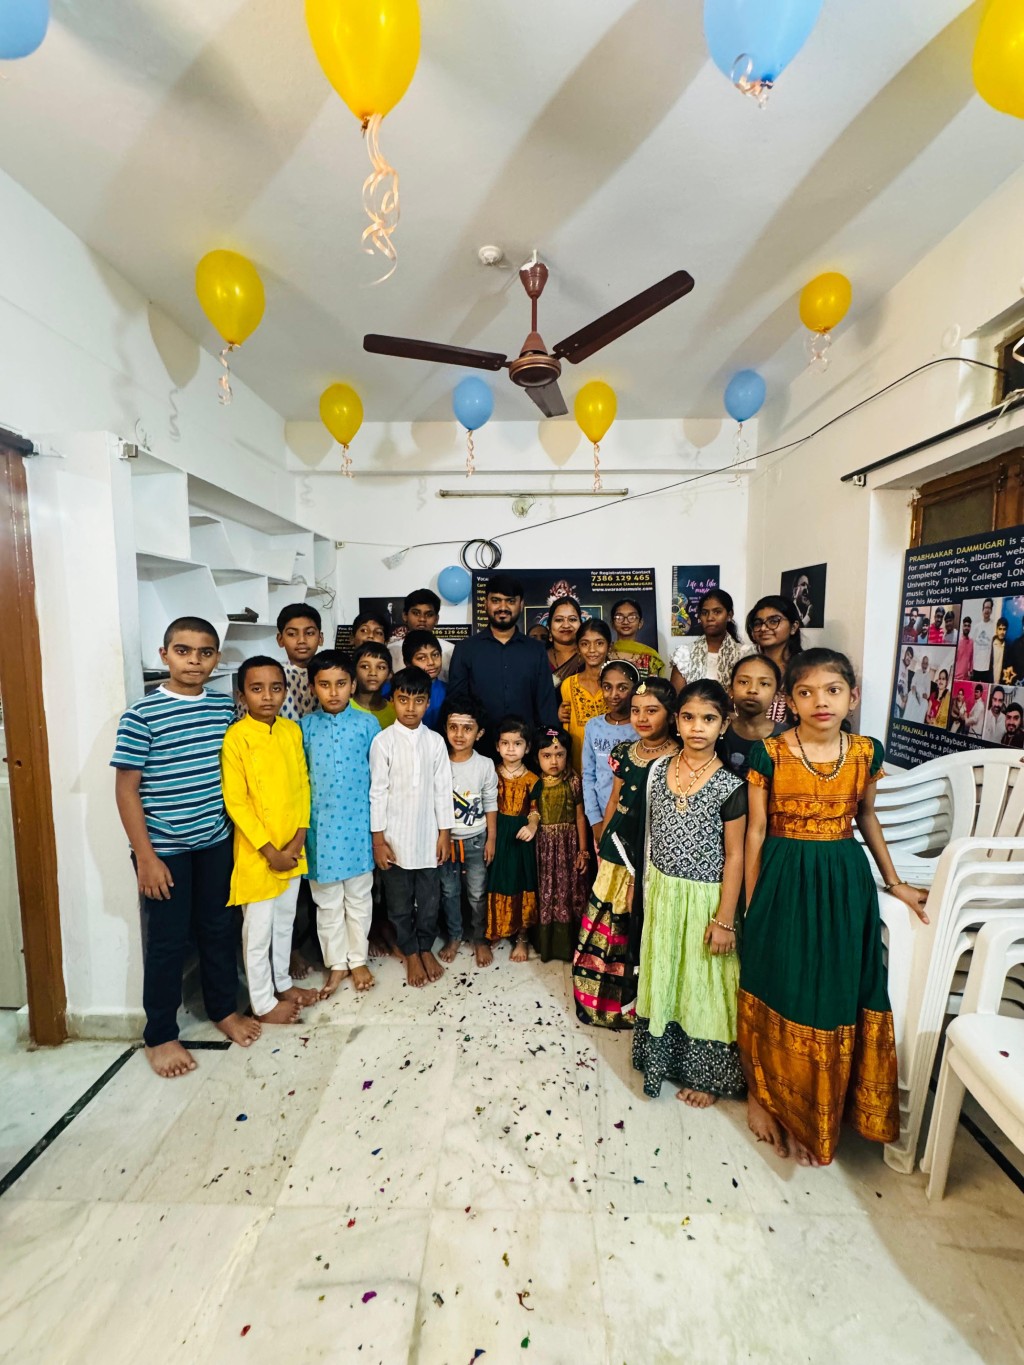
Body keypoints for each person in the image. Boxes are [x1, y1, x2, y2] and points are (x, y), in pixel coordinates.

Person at [739, 648, 929, 1167]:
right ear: (789, 701)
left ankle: (819, 1109)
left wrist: (894, 882)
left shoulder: (866, 752)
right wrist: (753, 902)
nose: (820, 701)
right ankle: (763, 1095)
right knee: (776, 979)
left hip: (844, 878)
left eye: (832, 690)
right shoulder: (769, 753)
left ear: (852, 697)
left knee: (834, 986)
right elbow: (756, 830)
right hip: (782, 874)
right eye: (805, 692)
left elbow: (866, 816)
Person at [112, 617, 260, 1078]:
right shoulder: (141, 715)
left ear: (217, 659)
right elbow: (126, 789)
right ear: (164, 655)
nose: (194, 661)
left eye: (205, 652)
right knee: (167, 941)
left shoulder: (222, 708)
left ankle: (223, 1009)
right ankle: (160, 1034)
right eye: (183, 651)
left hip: (215, 840)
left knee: (219, 928)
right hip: (165, 849)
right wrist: (146, 857)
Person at [632, 680, 747, 1105]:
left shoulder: (731, 786)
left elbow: (735, 856)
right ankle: (663, 1059)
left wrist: (725, 920)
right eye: (689, 717)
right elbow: (649, 836)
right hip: (663, 893)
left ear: (724, 724)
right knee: (666, 974)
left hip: (706, 900)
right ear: (676, 721)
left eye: (709, 719)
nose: (698, 727)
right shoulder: (658, 770)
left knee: (706, 982)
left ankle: (708, 1075)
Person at [573, 677, 679, 1028]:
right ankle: (598, 997)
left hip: (650, 851)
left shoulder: (678, 757)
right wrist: (603, 839)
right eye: (636, 711)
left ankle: (633, 1001)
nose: (642, 718)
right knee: (605, 914)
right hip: (615, 845)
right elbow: (614, 799)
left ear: (671, 715)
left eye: (652, 711)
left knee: (637, 920)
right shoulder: (624, 753)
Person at [222, 656, 318, 1025]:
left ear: (286, 691)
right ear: (241, 695)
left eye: (275, 688)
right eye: (256, 689)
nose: (267, 697)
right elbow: (236, 802)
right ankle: (262, 1002)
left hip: (292, 847)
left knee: (284, 920)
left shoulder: (291, 731)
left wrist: (298, 838)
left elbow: (303, 785)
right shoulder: (237, 738)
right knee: (258, 929)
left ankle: (283, 982)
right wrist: (269, 850)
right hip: (259, 852)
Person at [300, 650, 379, 998]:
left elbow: (379, 778)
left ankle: (357, 958)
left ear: (352, 685)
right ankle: (336, 963)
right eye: (324, 684)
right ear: (312, 687)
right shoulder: (304, 727)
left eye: (341, 683)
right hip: (320, 830)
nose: (333, 692)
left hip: (359, 826)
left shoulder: (367, 724)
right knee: (327, 902)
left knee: (360, 898)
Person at [369, 666, 452, 988]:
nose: (410, 708)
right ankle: (410, 951)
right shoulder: (383, 742)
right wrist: (379, 841)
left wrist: (444, 834)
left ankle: (425, 946)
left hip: (428, 837)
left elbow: (443, 790)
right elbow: (377, 792)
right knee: (399, 902)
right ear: (393, 700)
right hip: (394, 838)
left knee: (430, 900)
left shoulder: (435, 742)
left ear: (428, 703)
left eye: (418, 701)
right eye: (403, 700)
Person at [448, 573, 559, 751]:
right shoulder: (465, 649)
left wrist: (550, 745)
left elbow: (546, 705)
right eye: (496, 600)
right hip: (478, 750)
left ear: (521, 604)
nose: (503, 607)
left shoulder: (536, 650)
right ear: (486, 603)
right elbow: (457, 705)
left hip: (526, 751)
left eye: (510, 601)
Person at [439, 698, 498, 968]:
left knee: (477, 893)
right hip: (445, 841)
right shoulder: (438, 761)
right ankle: (454, 936)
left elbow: (490, 802)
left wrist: (491, 839)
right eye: (453, 727)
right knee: (449, 892)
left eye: (467, 728)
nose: (459, 734)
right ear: (445, 728)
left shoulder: (485, 764)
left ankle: (479, 938)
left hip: (476, 839)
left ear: (480, 732)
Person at [529, 727, 589, 963]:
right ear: (537, 758)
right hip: (543, 848)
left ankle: (569, 945)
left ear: (567, 755)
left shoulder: (573, 782)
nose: (553, 761)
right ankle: (546, 943)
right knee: (546, 891)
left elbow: (580, 817)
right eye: (547, 755)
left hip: (568, 846)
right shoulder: (535, 783)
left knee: (569, 891)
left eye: (559, 754)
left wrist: (583, 851)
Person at [486, 715, 539, 961]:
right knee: (496, 880)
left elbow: (535, 810)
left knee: (520, 882)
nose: (510, 749)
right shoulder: (490, 773)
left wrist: (532, 824)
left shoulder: (532, 779)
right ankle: (496, 928)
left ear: (527, 748)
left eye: (517, 743)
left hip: (519, 838)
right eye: (505, 743)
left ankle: (522, 937)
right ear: (497, 746)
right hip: (495, 833)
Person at [581, 661, 640, 845]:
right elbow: (588, 775)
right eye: (607, 687)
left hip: (634, 819)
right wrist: (595, 821)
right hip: (600, 817)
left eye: (622, 688)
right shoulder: (593, 726)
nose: (614, 695)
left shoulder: (640, 728)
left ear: (635, 689)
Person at [669, 590, 751, 692]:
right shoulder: (684, 654)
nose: (710, 618)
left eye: (717, 612)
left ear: (729, 615)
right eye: (705, 613)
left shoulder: (743, 654)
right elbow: (677, 698)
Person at [559, 618, 610, 774]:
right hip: (578, 763)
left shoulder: (618, 684)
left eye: (599, 643)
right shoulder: (568, 684)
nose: (592, 650)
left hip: (611, 764)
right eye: (585, 644)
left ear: (609, 646)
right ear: (578, 649)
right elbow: (566, 728)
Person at [724, 656, 787, 779]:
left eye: (764, 684)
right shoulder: (718, 734)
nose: (752, 690)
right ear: (730, 690)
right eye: (743, 682)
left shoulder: (788, 738)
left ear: (777, 696)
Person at [745, 596, 802, 725]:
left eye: (773, 621)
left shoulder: (805, 668)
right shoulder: (748, 666)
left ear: (793, 627)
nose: (763, 628)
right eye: (758, 623)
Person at [388, 589, 454, 679]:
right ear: (405, 616)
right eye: (416, 613)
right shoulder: (391, 651)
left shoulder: (451, 651)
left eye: (429, 614)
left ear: (436, 619)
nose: (422, 619)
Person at [275, 604, 323, 721]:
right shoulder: (275, 677)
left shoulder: (332, 675)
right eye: (292, 634)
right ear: (280, 639)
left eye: (309, 633)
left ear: (320, 638)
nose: (301, 640)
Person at [400, 629, 447, 732]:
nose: (431, 662)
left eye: (435, 655)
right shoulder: (395, 690)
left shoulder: (450, 691)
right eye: (421, 658)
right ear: (408, 663)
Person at [608, 598, 665, 677]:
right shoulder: (605, 652)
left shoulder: (650, 656)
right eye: (619, 617)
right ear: (612, 624)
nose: (625, 622)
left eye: (632, 617)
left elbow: (655, 684)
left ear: (640, 623)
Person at [352, 641, 396, 728]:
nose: (373, 673)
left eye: (381, 667)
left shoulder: (396, 712)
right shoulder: (342, 708)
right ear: (354, 670)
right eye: (365, 666)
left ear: (389, 674)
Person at [546, 595, 585, 687]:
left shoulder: (590, 656)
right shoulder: (539, 657)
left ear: (581, 624)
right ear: (549, 627)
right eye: (559, 620)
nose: (566, 625)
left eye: (572, 619)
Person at [972, 599, 996, 683]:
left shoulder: (994, 626)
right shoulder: (976, 627)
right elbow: (972, 647)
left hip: (987, 668)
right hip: (975, 667)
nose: (987, 610)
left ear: (991, 610)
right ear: (982, 609)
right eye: (985, 607)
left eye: (989, 608)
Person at [992, 617, 1009, 686]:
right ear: (996, 629)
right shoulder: (991, 645)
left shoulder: (1008, 647)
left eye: (1004, 629)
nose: (1002, 632)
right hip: (990, 682)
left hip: (1001, 684)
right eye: (1000, 629)